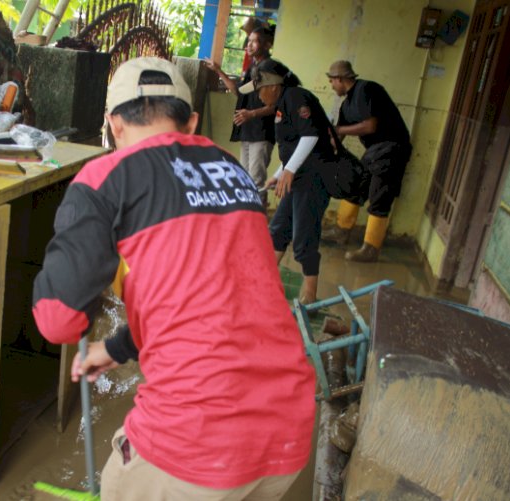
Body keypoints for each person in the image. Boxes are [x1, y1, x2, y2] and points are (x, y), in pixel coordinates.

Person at [32, 57, 315, 501]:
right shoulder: (233, 172)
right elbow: (211, 299)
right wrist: (116, 347)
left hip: (196, 442)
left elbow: (59, 321)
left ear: (111, 125)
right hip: (288, 431)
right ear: (193, 122)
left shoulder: (104, 179)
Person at [241, 59, 333, 305]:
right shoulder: (283, 103)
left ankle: (310, 294)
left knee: (304, 236)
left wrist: (289, 170)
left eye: (260, 90)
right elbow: (292, 147)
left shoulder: (295, 97)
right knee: (279, 228)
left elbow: (311, 135)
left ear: (272, 85)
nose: (258, 96)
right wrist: (280, 173)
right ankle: (264, 279)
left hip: (314, 178)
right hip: (299, 176)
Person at [322, 60, 412, 262]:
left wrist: (340, 131)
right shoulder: (346, 104)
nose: (331, 86)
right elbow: (338, 135)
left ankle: (371, 248)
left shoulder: (367, 89)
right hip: (374, 150)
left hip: (392, 147)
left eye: (331, 81)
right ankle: (341, 231)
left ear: (340, 79)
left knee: (379, 195)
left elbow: (370, 126)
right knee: (355, 183)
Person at [204, 26, 275, 202]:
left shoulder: (270, 69)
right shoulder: (253, 67)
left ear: (266, 45)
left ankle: (258, 220)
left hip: (262, 132)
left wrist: (251, 114)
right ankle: (247, 216)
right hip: (248, 130)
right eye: (248, 40)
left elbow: (274, 105)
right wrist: (218, 70)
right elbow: (238, 91)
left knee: (256, 181)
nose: (249, 45)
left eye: (254, 41)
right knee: (245, 178)